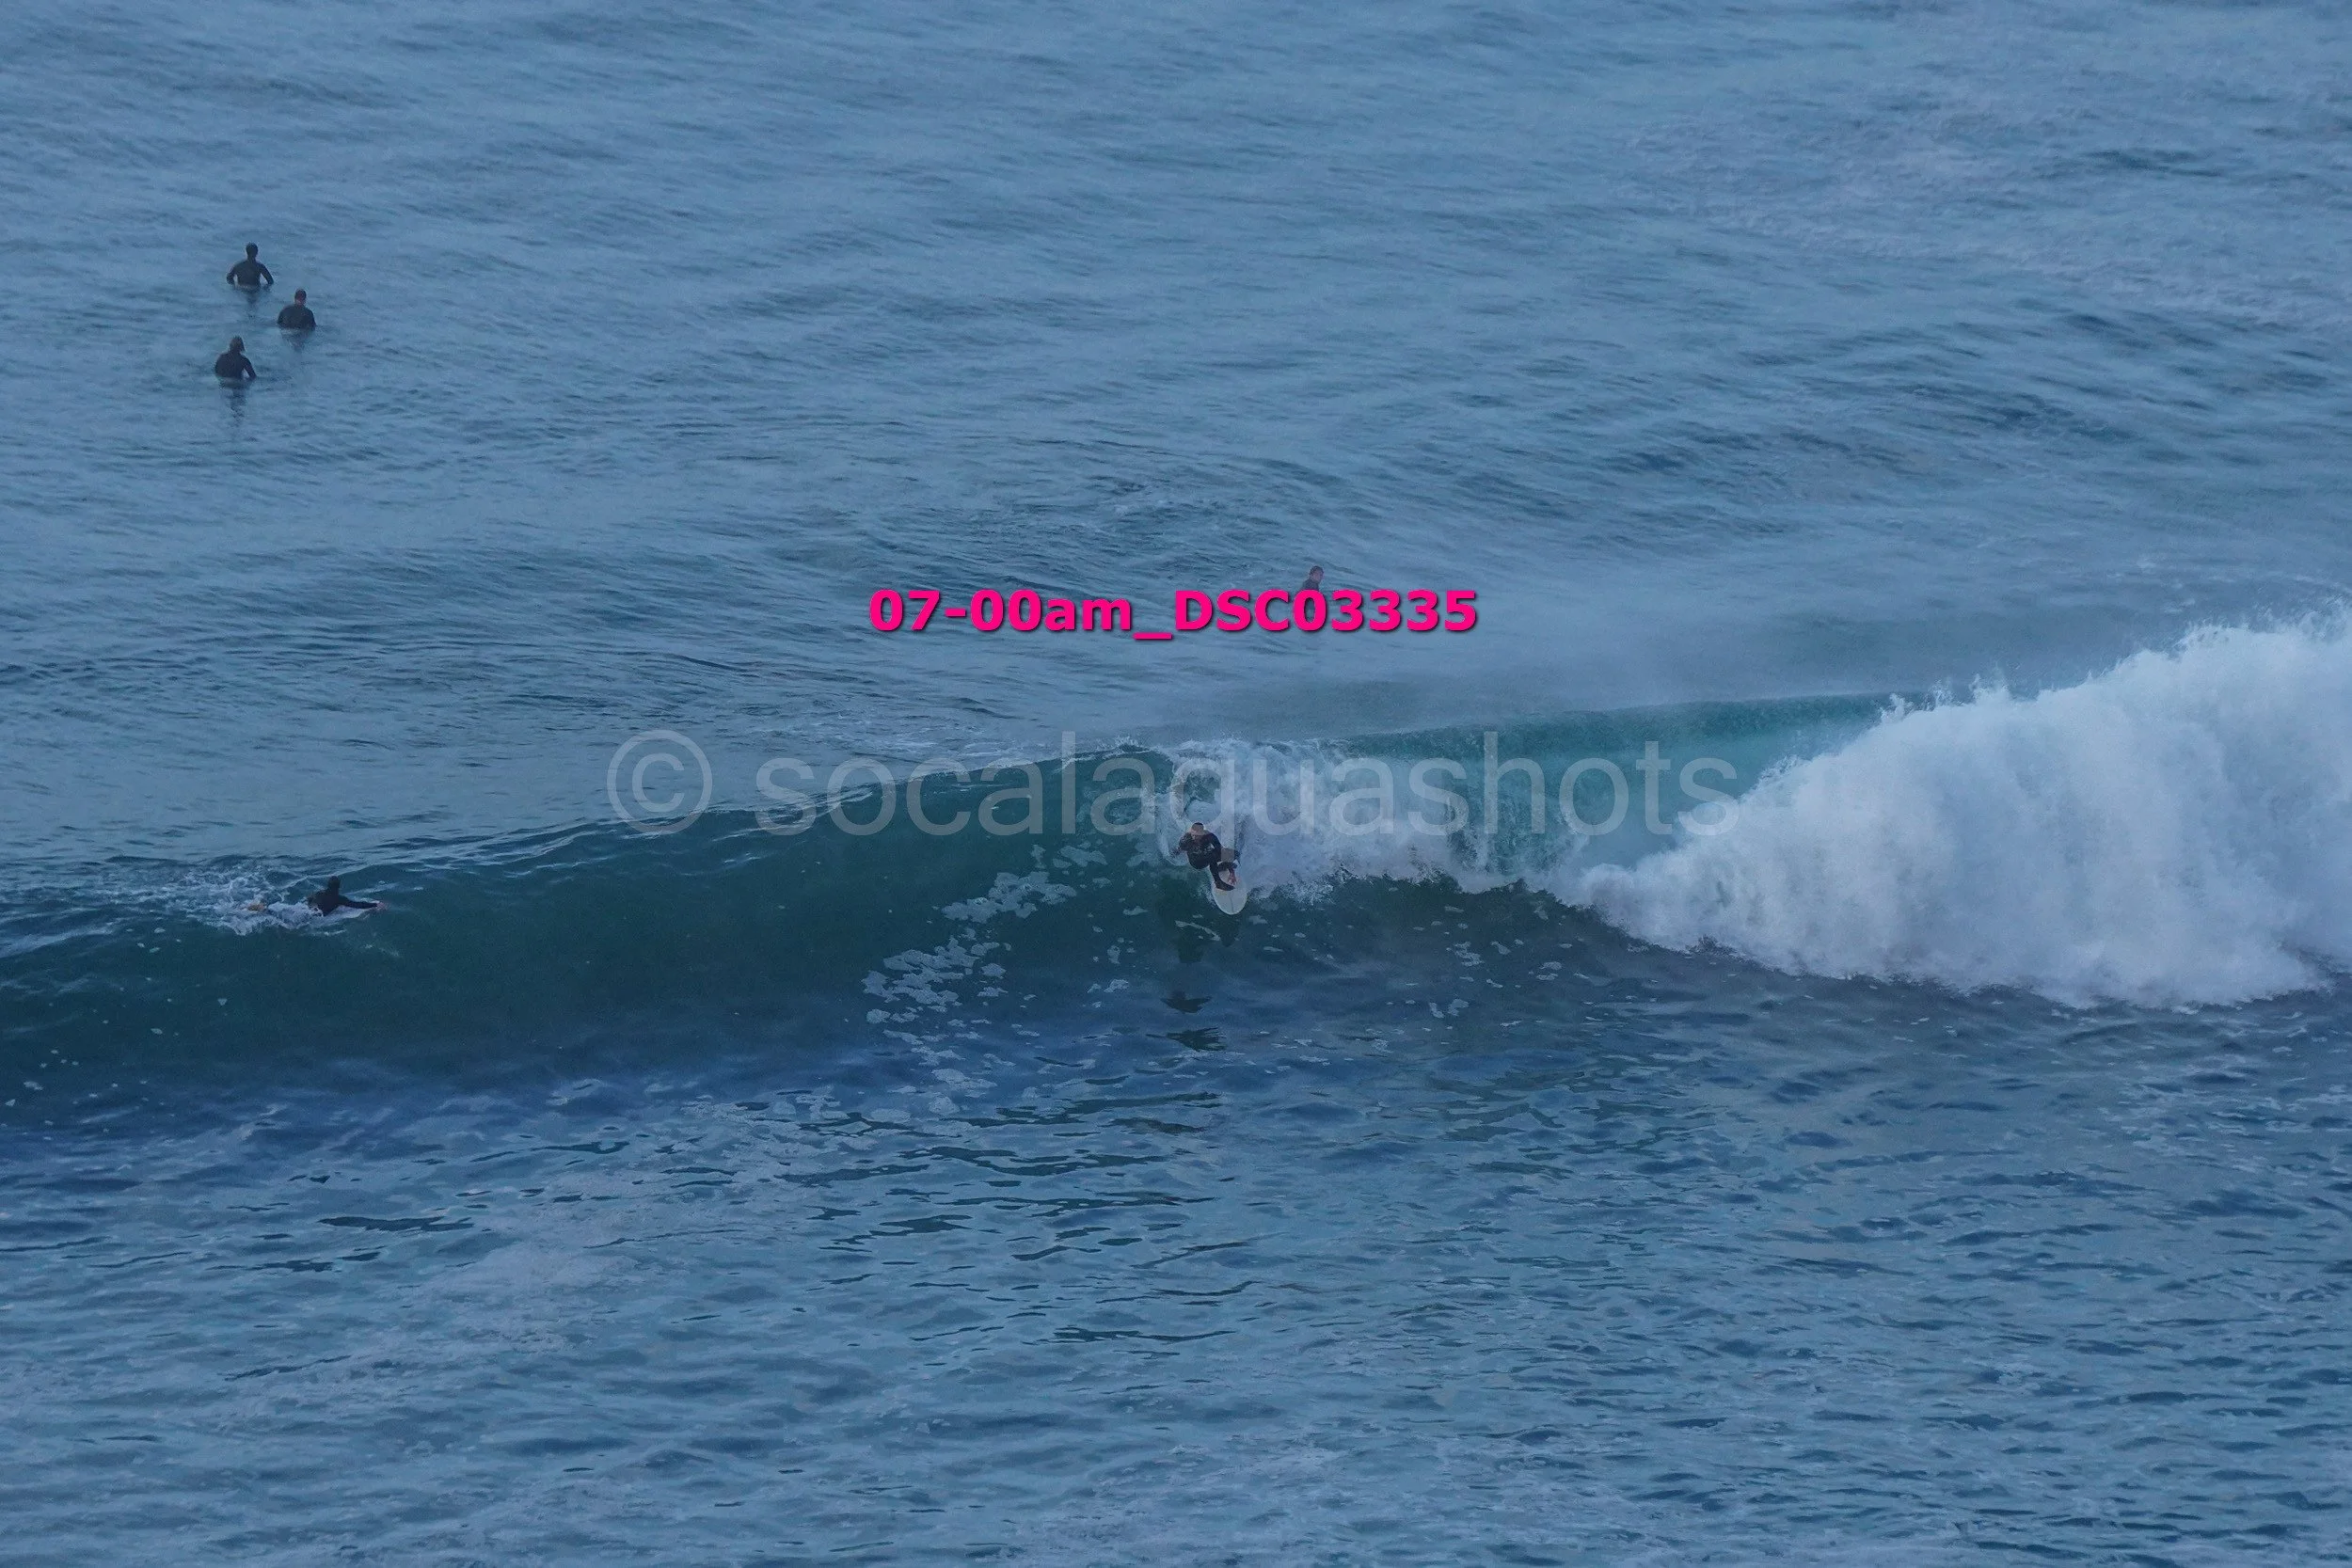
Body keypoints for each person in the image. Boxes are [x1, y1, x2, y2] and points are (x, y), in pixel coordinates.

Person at [306, 877, 380, 915]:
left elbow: (309, 899)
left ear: (328, 885)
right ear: (339, 886)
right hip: (318, 917)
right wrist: (375, 904)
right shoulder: (339, 899)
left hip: (308, 912)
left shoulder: (319, 893)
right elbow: (357, 905)